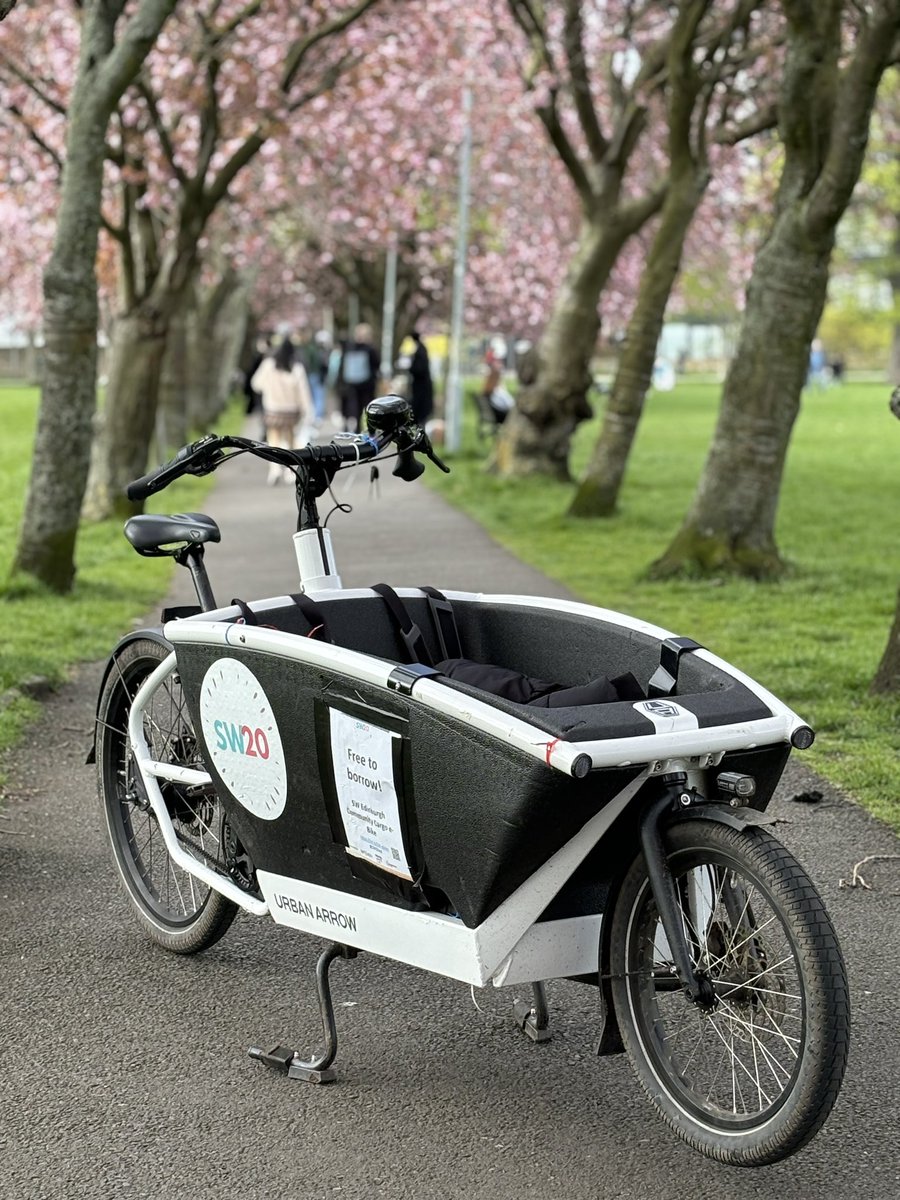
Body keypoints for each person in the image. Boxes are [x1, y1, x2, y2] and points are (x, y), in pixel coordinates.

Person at [250, 337, 313, 484]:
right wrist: (307, 410)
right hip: (291, 412)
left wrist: (270, 390)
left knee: (274, 439)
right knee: (291, 440)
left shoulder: (269, 365)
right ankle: (290, 471)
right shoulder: (296, 368)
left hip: (273, 410)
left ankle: (275, 469)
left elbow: (256, 384)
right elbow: (303, 392)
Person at [338, 322, 380, 432]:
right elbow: (376, 364)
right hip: (368, 384)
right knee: (369, 406)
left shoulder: (349, 348)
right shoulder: (370, 349)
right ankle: (370, 428)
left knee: (355, 406)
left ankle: (357, 427)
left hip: (352, 383)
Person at [407, 331, 434, 425]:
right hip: (421, 385)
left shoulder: (420, 351)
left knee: (420, 408)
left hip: (421, 386)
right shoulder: (421, 349)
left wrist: (411, 368)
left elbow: (419, 369)